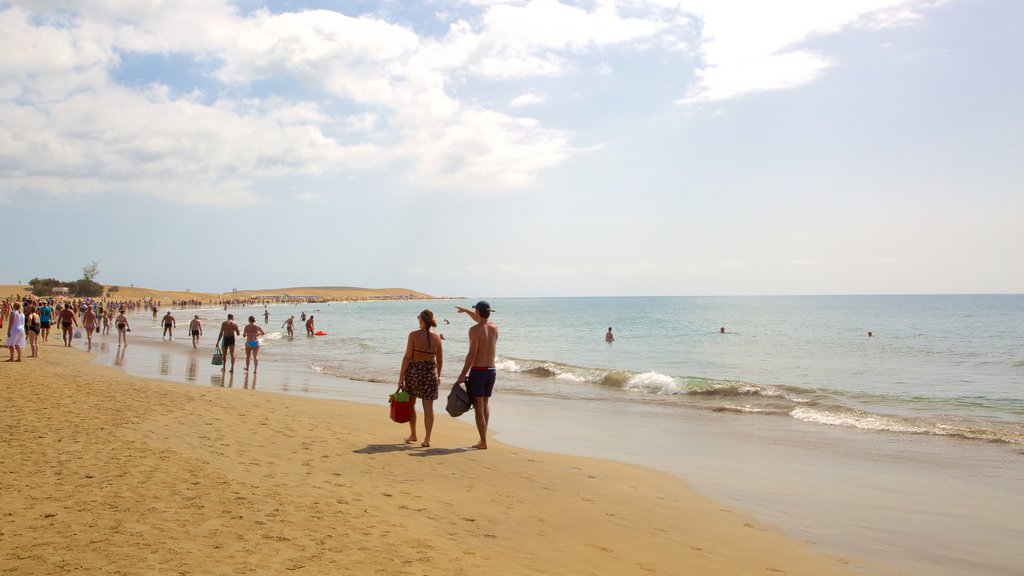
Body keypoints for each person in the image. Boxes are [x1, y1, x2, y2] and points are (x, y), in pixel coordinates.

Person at [455, 301, 498, 450]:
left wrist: (462, 374)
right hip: (491, 371)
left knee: (478, 407)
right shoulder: (494, 328)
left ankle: (483, 441)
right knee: (485, 404)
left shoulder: (474, 330)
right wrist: (467, 311)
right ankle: (483, 438)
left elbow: (472, 354)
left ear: (478, 312)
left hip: (478, 372)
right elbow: (481, 321)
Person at [398, 309, 443, 447]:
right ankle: (427, 439)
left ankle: (413, 434)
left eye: (418, 317)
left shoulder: (413, 335)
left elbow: (407, 357)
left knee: (411, 404)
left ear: (422, 320)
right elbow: (440, 360)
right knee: (428, 408)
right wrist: (439, 375)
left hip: (414, 374)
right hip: (430, 374)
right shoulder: (437, 338)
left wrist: (401, 377)